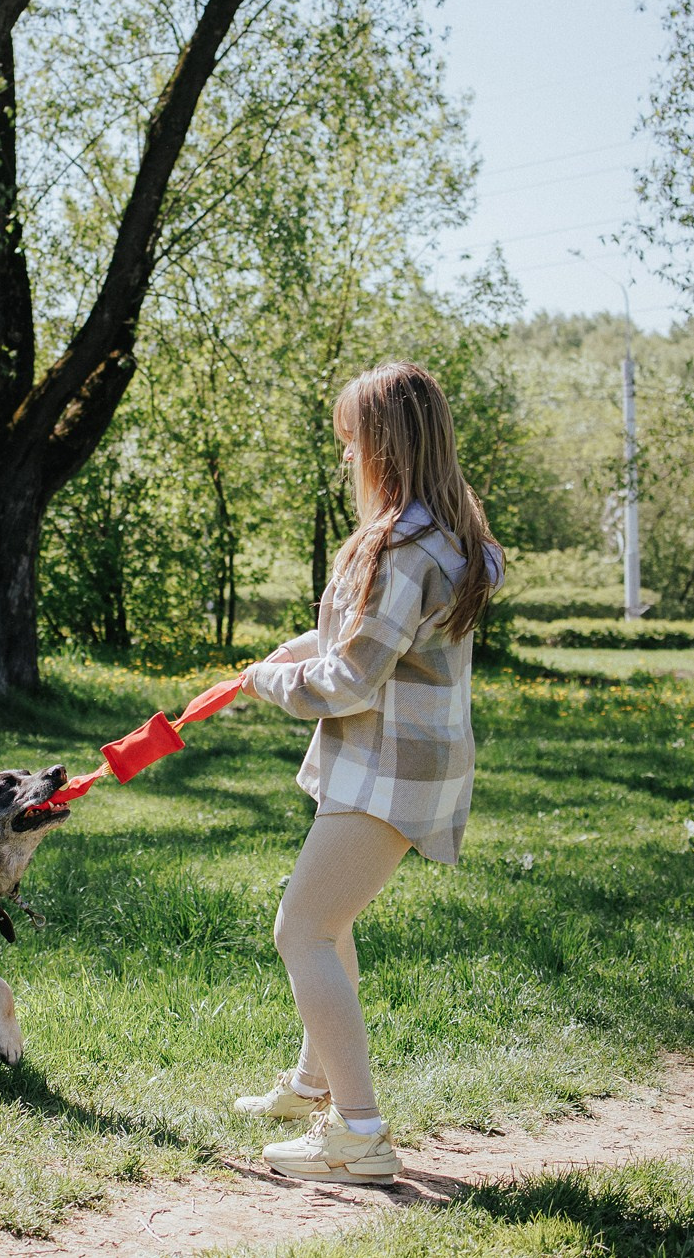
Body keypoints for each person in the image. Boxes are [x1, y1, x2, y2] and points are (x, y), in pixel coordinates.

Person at [229, 360, 503, 1182]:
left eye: (353, 443)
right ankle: (317, 1081)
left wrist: (267, 679)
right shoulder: (447, 536)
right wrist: (296, 649)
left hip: (390, 769)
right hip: (403, 762)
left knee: (300, 928)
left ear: (386, 447)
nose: (345, 459)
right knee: (329, 918)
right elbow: (372, 640)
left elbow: (350, 677)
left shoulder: (399, 548)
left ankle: (359, 1132)